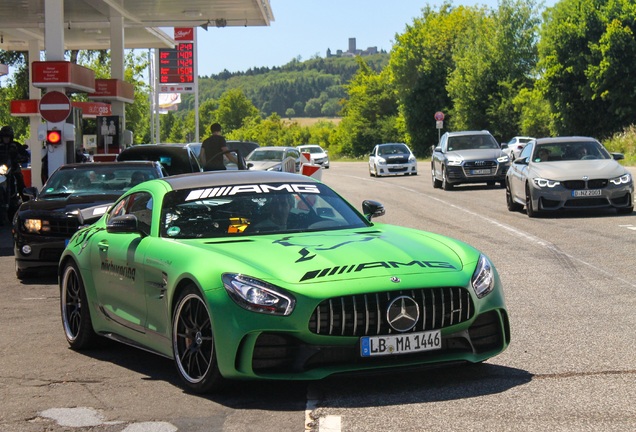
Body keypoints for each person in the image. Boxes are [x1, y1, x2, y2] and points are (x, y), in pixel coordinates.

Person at [0, 125, 29, 199]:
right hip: (1, 169)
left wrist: (23, 158)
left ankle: (25, 200)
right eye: (4, 137)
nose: (6, 139)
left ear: (11, 137)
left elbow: (25, 154)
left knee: (20, 181)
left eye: (8, 137)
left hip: (13, 168)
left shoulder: (16, 145)